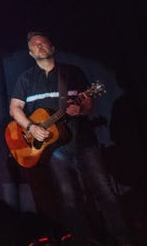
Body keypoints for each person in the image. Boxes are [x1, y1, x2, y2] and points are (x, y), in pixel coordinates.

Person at [9, 31, 132, 245]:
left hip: (84, 141)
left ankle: (123, 239)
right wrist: (31, 127)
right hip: (55, 149)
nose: (40, 46)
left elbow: (88, 103)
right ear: (30, 53)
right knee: (69, 199)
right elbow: (14, 108)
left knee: (105, 191)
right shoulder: (26, 79)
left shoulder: (72, 72)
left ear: (52, 48)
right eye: (35, 45)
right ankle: (84, 240)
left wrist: (81, 109)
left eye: (43, 43)